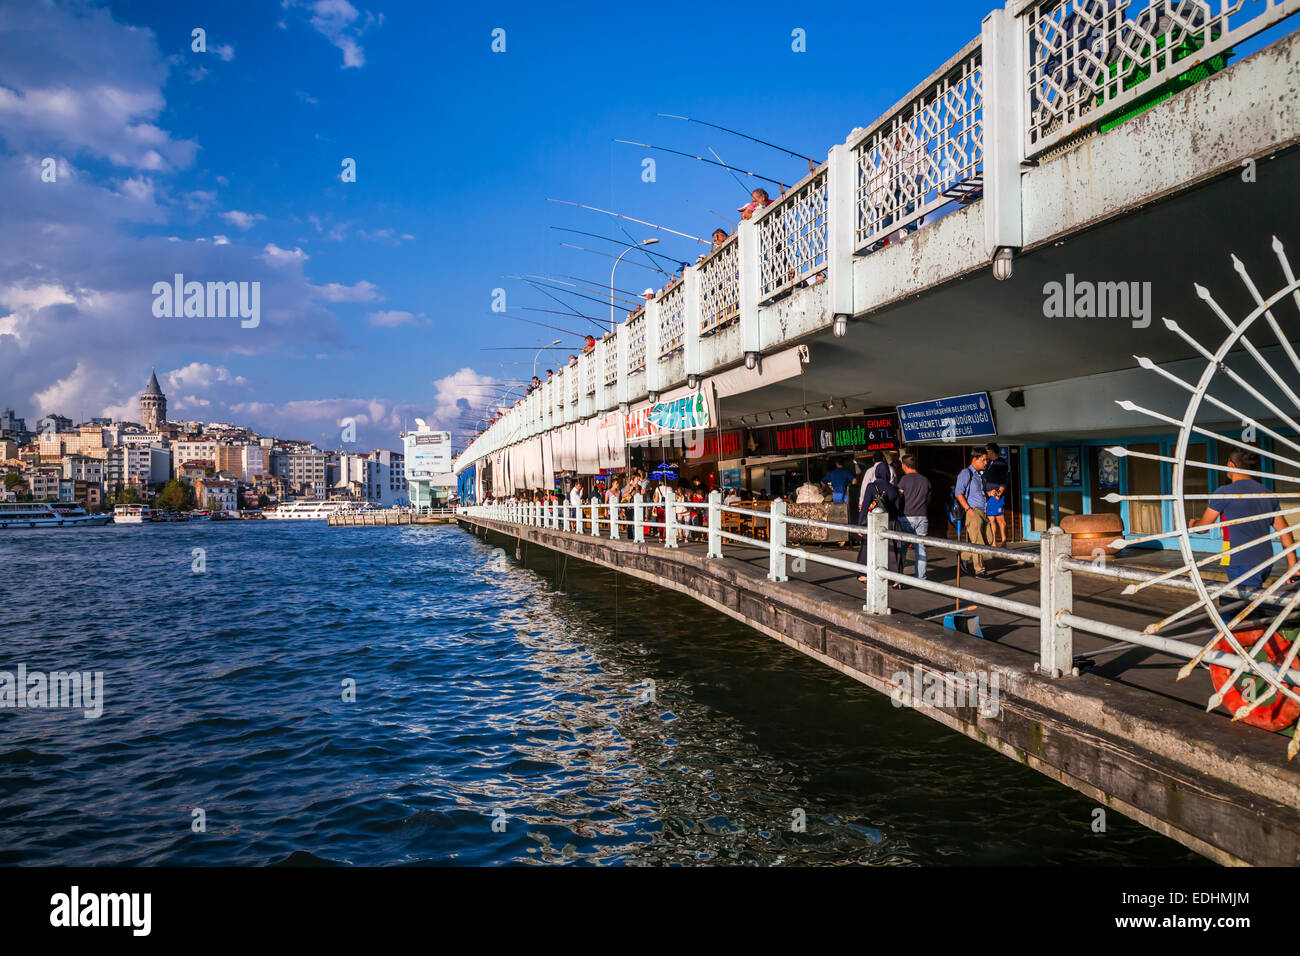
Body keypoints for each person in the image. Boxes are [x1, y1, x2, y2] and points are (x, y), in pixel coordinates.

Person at [1188, 449, 1297, 594]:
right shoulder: (1266, 493)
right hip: (1265, 561)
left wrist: (1193, 524)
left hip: (1241, 561)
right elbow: (1284, 531)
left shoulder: (1224, 492)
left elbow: (1203, 528)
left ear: (1231, 465)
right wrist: (1292, 566)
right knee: (1243, 602)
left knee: (1240, 608)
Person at [856, 460, 902, 584]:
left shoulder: (871, 486)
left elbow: (865, 506)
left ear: (877, 473)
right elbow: (897, 508)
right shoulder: (894, 489)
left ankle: (864, 574)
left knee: (867, 546)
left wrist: (860, 525)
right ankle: (894, 577)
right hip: (891, 522)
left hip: (874, 522)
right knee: (892, 549)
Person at [955, 450, 992, 579]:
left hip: (984, 512)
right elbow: (959, 493)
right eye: (983, 459)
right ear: (975, 459)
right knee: (978, 542)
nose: (986, 462)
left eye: (986, 460)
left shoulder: (980, 475)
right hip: (974, 512)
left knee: (989, 540)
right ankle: (980, 571)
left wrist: (989, 494)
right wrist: (968, 510)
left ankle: (963, 555)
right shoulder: (966, 473)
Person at [896, 454, 932, 581]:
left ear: (904, 466)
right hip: (922, 517)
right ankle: (921, 577)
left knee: (903, 548)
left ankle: (899, 576)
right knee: (921, 549)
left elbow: (899, 498)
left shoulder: (904, 480)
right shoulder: (925, 480)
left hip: (906, 517)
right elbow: (928, 499)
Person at [982, 442, 1011, 547]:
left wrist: (999, 493)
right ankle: (993, 542)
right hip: (988, 495)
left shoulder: (1001, 463)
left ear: (992, 451)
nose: (986, 454)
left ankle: (1004, 541)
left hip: (997, 495)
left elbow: (1005, 479)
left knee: (1000, 518)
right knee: (991, 519)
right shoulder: (988, 463)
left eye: (987, 451)